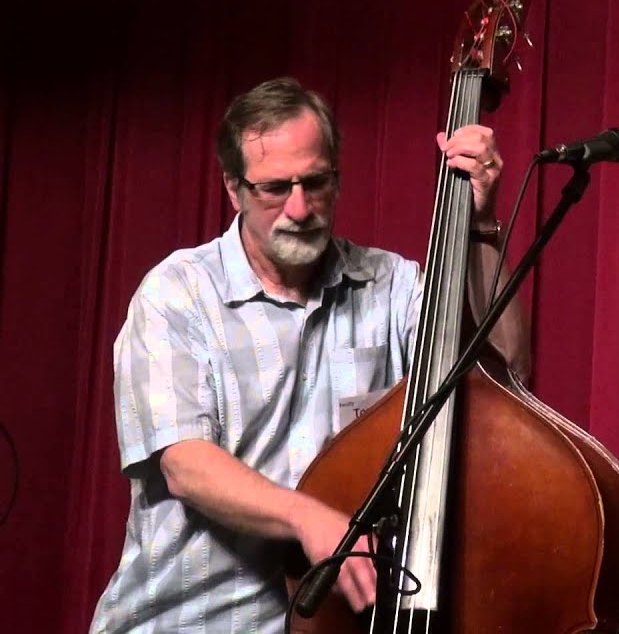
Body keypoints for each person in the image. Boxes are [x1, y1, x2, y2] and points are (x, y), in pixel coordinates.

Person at [90, 76, 529, 633]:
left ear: (337, 179)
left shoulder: (391, 286)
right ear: (233, 189)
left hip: (338, 623)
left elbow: (505, 373)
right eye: (274, 189)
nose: (298, 207)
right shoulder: (178, 292)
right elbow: (185, 465)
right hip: (190, 619)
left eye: (315, 182)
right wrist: (308, 518)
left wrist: (482, 226)